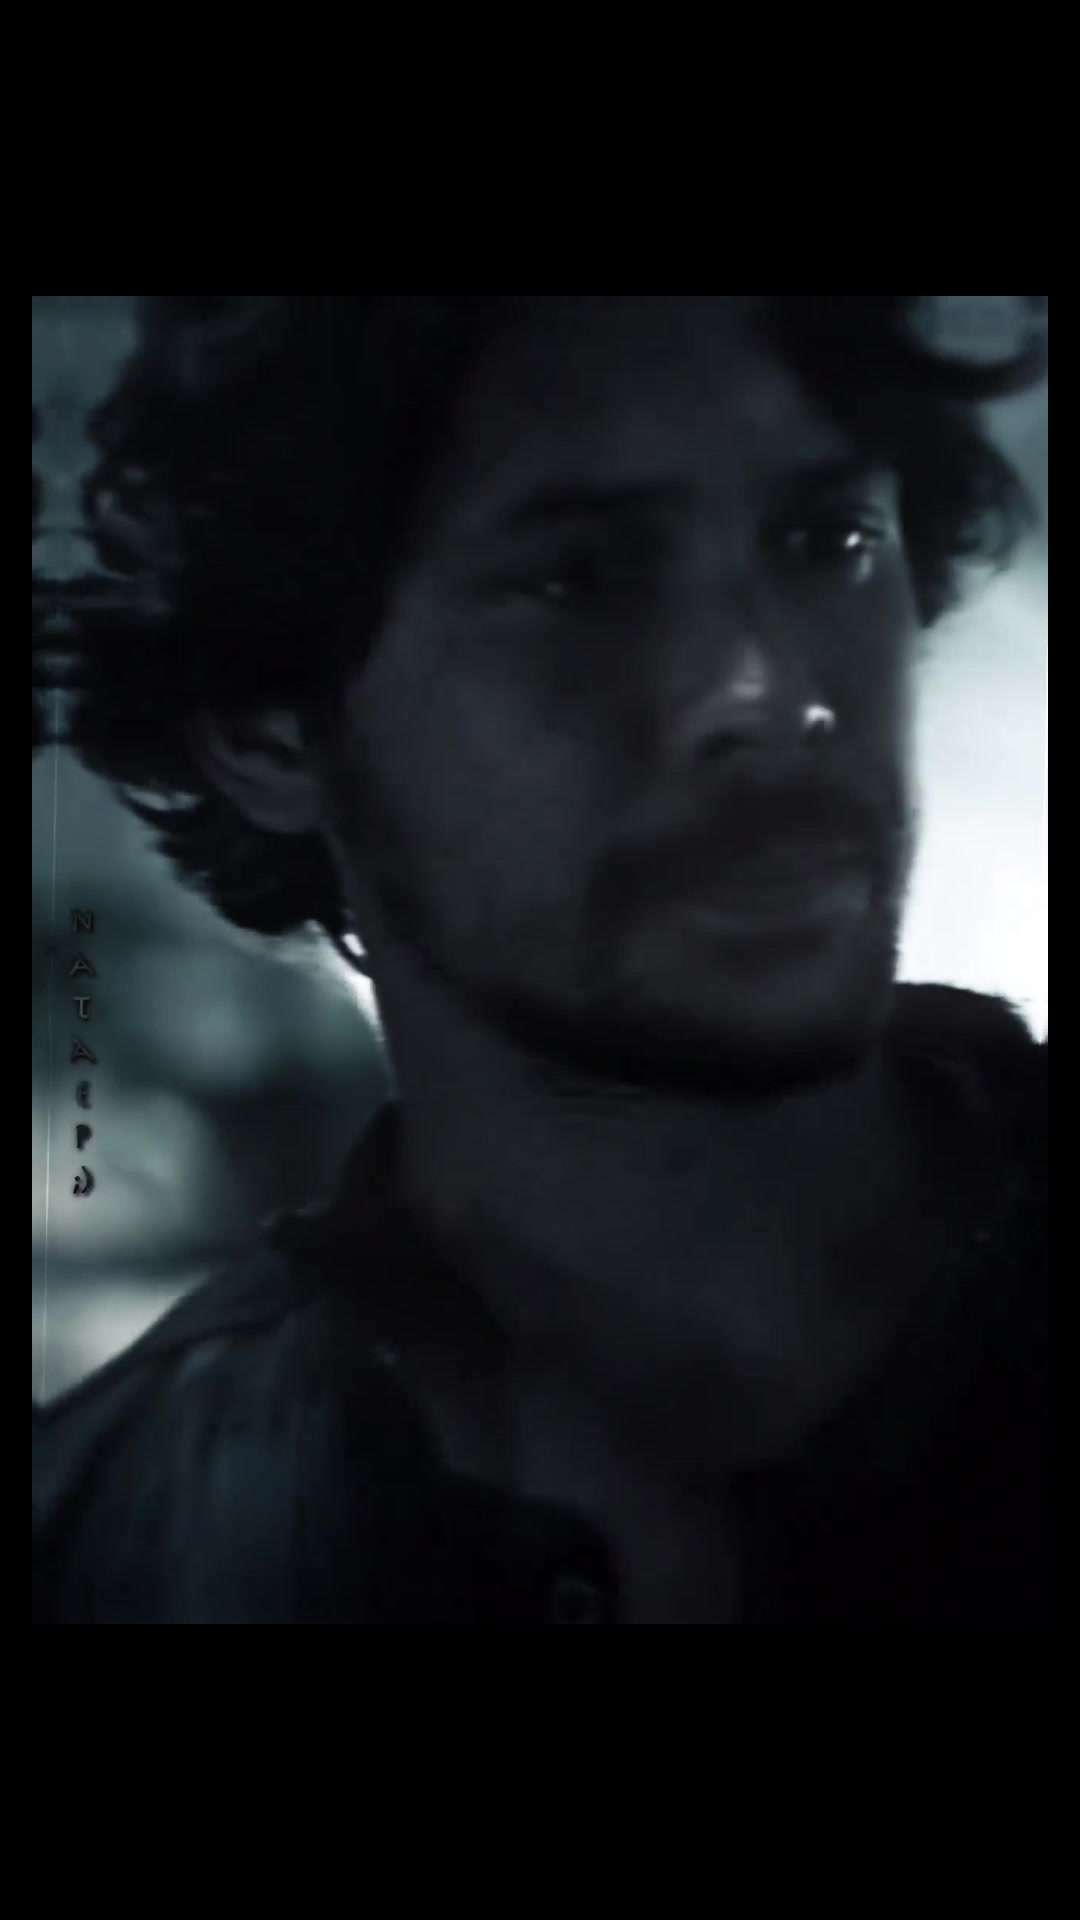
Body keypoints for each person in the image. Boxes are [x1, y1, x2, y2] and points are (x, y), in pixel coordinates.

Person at [32, 296, 1048, 1626]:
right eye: (579, 581)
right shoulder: (113, 1546)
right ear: (268, 734)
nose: (766, 693)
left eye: (830, 541)